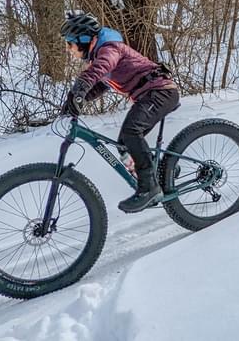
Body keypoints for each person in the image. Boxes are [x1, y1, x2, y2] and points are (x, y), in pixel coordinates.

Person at [60, 11, 180, 213]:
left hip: (160, 92)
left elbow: (100, 68)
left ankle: (148, 188)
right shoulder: (102, 54)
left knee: (132, 132)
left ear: (84, 39)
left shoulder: (109, 49)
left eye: (70, 43)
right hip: (149, 95)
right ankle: (159, 173)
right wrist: (75, 100)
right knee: (124, 143)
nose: (69, 49)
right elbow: (102, 84)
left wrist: (80, 86)